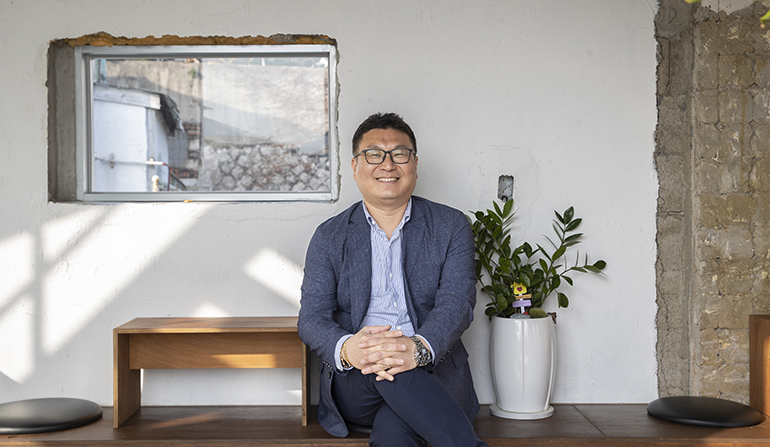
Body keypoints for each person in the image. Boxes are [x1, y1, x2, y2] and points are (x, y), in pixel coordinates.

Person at [298, 112, 488, 447]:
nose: (388, 164)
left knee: (393, 430)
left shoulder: (451, 226)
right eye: (374, 154)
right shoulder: (329, 236)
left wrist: (417, 348)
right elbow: (311, 319)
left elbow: (457, 303)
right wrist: (350, 349)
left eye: (399, 154)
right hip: (357, 379)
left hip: (434, 370)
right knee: (384, 365)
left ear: (414, 164)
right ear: (355, 166)